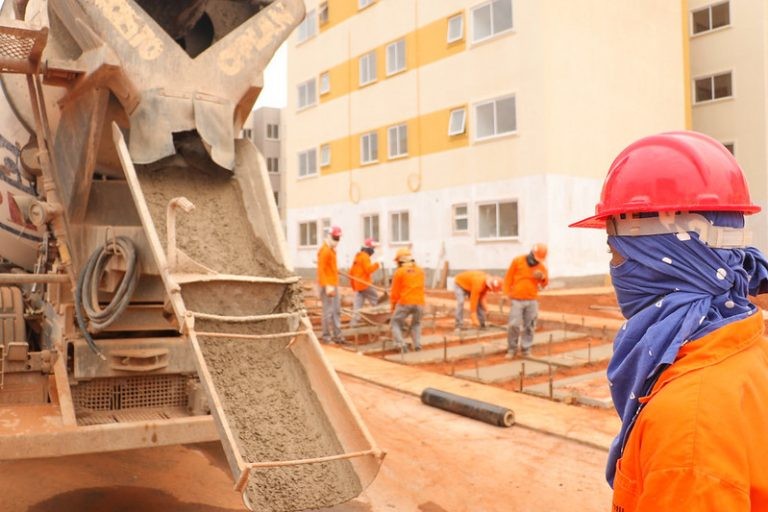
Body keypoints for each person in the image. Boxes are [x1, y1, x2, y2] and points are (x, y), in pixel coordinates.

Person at [570, 131, 768, 511]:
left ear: (666, 259)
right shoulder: (745, 341)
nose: (614, 271)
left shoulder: (687, 424)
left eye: (616, 254)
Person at [503, 244, 548, 358]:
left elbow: (545, 283)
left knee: (530, 326)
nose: (537, 261)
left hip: (532, 300)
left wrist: (542, 278)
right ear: (532, 253)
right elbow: (508, 278)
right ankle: (512, 349)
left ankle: (526, 350)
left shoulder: (541, 267)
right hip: (517, 299)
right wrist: (505, 293)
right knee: (514, 325)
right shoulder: (518, 261)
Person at [389, 247, 425, 352]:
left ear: (400, 260)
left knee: (395, 323)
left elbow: (395, 292)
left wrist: (393, 306)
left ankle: (401, 345)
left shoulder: (399, 272)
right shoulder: (420, 270)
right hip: (420, 302)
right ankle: (417, 346)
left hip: (405, 302)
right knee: (416, 323)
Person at [317, 225, 344, 344]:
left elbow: (329, 267)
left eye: (338, 238)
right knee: (327, 312)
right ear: (329, 236)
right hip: (327, 285)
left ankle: (337, 335)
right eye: (335, 237)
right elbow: (321, 270)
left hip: (333, 283)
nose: (337, 240)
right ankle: (326, 336)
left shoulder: (331, 250)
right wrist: (327, 285)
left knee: (336, 310)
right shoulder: (325, 250)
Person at [349, 238, 382, 327]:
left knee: (357, 307)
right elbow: (369, 270)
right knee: (375, 300)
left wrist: (354, 287)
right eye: (373, 248)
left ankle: (353, 324)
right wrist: (378, 263)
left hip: (358, 285)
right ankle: (379, 319)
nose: (373, 251)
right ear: (369, 248)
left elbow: (351, 273)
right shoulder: (365, 257)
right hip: (364, 284)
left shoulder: (358, 257)